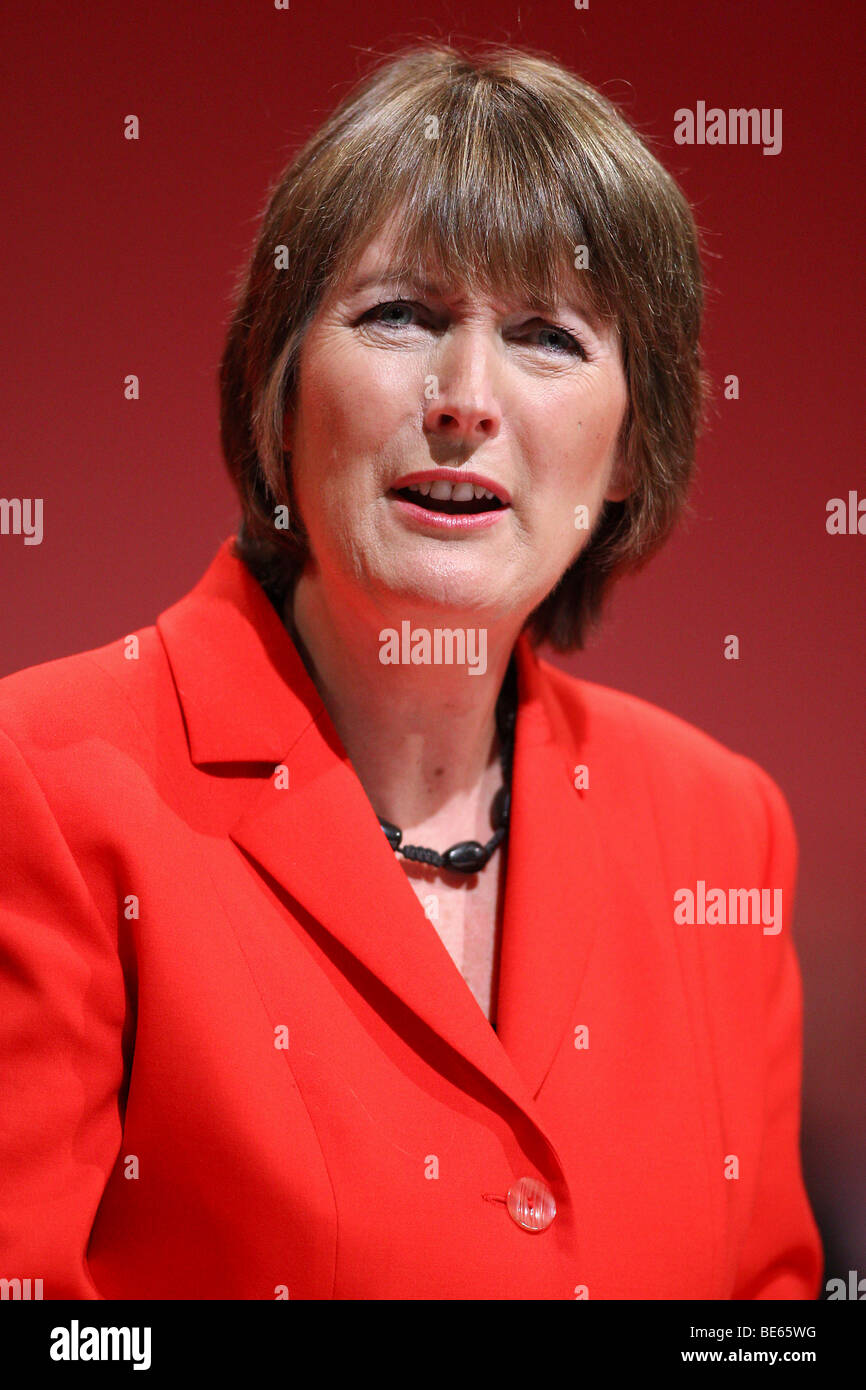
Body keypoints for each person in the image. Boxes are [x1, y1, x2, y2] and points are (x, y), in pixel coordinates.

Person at [0, 42, 821, 1299]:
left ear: (625, 452)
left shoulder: (722, 831)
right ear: (279, 395)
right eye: (402, 316)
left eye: (547, 335)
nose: (464, 398)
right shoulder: (47, 785)